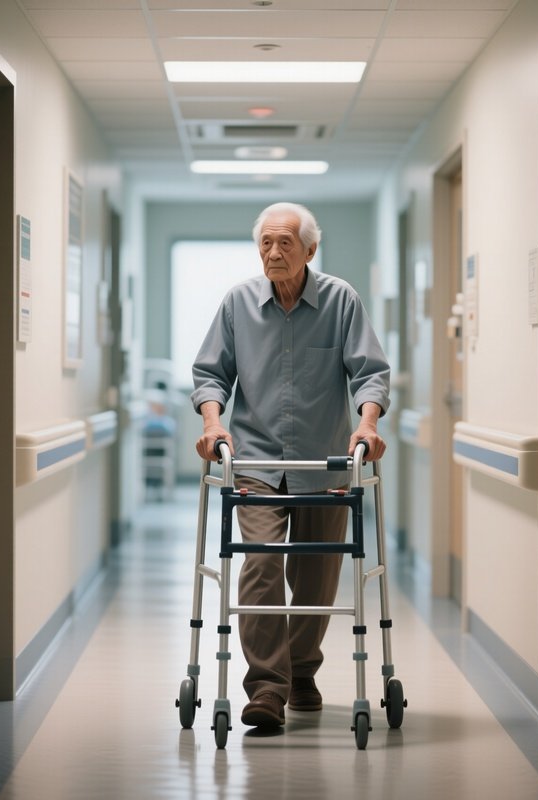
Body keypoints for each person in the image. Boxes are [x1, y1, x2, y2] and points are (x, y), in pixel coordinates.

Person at [191, 202, 390, 729]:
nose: (273, 253)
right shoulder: (238, 303)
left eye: (285, 243)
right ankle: (267, 689)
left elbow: (369, 373)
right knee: (258, 564)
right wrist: (213, 424)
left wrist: (367, 424)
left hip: (323, 463)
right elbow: (211, 374)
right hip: (255, 461)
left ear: (310, 250)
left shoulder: (340, 300)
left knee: (317, 574)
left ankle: (302, 670)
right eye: (265, 243)